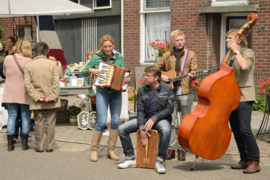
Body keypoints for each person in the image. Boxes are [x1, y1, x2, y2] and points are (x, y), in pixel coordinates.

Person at [117, 65, 174, 174]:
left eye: (148, 76)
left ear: (156, 77)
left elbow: (169, 109)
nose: (145, 78)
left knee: (166, 130)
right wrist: (142, 128)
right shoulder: (142, 89)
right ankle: (131, 158)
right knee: (122, 129)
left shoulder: (167, 88)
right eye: (145, 75)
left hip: (161, 119)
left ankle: (160, 161)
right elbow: (140, 110)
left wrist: (154, 118)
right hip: (145, 118)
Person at [82, 35, 130, 162]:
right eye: (105, 46)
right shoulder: (96, 57)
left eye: (110, 46)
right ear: (101, 47)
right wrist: (92, 70)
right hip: (102, 92)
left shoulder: (119, 57)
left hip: (116, 93)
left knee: (115, 121)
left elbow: (124, 73)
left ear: (113, 46)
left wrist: (126, 79)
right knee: (102, 122)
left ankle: (111, 150)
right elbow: (84, 71)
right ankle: (94, 150)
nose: (108, 49)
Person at [155, 30, 197, 161]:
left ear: (184, 40)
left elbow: (194, 70)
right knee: (171, 122)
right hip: (170, 92)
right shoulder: (167, 55)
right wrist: (161, 75)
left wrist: (193, 74)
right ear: (172, 42)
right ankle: (171, 148)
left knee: (185, 123)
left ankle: (183, 149)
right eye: (177, 40)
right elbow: (155, 67)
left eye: (181, 40)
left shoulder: (191, 55)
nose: (179, 42)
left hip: (186, 92)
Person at [226, 29, 260, 174]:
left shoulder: (247, 52)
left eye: (230, 38)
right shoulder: (230, 56)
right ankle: (244, 158)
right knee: (236, 130)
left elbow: (245, 67)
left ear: (238, 40)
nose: (227, 40)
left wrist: (237, 52)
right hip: (231, 98)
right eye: (226, 38)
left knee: (245, 129)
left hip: (244, 96)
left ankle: (255, 161)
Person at [24, 42, 61, 153]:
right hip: (51, 98)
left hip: (37, 99)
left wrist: (37, 96)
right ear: (46, 52)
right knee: (51, 123)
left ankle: (39, 147)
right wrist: (52, 96)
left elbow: (28, 84)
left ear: (34, 52)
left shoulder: (28, 65)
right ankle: (49, 146)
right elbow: (56, 82)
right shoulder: (52, 64)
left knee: (38, 123)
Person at [2, 39, 32, 151]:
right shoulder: (29, 60)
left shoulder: (8, 58)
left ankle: (10, 142)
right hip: (24, 91)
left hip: (10, 91)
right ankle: (24, 142)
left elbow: (5, 73)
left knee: (11, 115)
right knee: (25, 116)